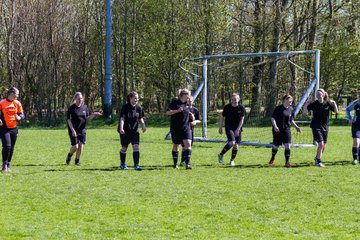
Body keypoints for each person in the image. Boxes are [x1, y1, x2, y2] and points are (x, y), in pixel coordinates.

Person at [303, 88, 338, 167]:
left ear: (324, 94)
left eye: (320, 94)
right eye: (317, 94)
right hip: (316, 126)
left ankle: (317, 158)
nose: (318, 95)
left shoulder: (328, 103)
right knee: (321, 143)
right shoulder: (314, 104)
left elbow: (336, 111)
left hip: (325, 126)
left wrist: (334, 103)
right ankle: (318, 161)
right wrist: (306, 103)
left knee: (324, 145)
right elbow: (304, 113)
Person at [66, 92, 102, 166]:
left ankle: (77, 161)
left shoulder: (85, 107)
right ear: (75, 99)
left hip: (82, 129)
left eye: (81, 98)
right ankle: (69, 155)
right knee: (75, 146)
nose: (80, 100)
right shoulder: (71, 108)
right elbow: (69, 120)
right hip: (73, 130)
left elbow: (87, 119)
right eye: (79, 98)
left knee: (81, 145)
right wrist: (72, 130)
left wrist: (94, 114)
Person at [268, 94, 301, 168]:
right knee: (276, 146)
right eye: (289, 100)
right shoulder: (278, 108)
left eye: (291, 101)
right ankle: (272, 157)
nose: (290, 102)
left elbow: (291, 120)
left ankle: (287, 162)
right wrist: (275, 126)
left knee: (288, 146)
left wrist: (296, 127)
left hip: (287, 129)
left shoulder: (291, 109)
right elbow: (273, 118)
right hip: (278, 130)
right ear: (285, 100)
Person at [166, 89, 194, 169]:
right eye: (189, 94)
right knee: (176, 145)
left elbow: (187, 111)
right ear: (184, 95)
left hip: (186, 127)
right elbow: (167, 113)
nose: (190, 96)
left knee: (188, 144)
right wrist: (177, 111)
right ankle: (175, 164)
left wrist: (191, 114)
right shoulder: (175, 103)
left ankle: (187, 164)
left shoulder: (188, 104)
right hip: (176, 128)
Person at [117, 91, 146, 171]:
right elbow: (122, 118)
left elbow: (140, 118)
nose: (137, 99)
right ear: (130, 98)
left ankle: (136, 165)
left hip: (135, 131)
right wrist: (121, 128)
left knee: (136, 146)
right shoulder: (125, 107)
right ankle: (122, 164)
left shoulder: (139, 107)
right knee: (124, 148)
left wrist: (143, 125)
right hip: (125, 131)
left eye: (137, 98)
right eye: (135, 98)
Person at [0, 87, 25, 172]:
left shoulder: (17, 103)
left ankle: (8, 164)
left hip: (14, 128)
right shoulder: (2, 103)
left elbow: (22, 114)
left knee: (12, 147)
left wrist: (19, 117)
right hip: (4, 128)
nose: (18, 96)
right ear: (12, 94)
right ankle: (4, 165)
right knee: (7, 146)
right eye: (17, 94)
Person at [218, 93, 246, 166]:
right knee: (232, 142)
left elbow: (242, 119)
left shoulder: (241, 107)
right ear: (230, 100)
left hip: (238, 128)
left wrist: (238, 129)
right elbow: (222, 117)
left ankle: (232, 161)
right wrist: (220, 127)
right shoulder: (227, 107)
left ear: (239, 99)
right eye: (232, 99)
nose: (234, 101)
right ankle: (221, 154)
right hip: (229, 127)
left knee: (236, 145)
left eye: (235, 99)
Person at [180, 96, 201, 166]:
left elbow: (199, 120)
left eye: (191, 101)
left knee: (189, 145)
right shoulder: (183, 109)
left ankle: (185, 161)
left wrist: (195, 122)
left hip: (191, 129)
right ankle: (184, 161)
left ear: (193, 101)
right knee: (184, 145)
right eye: (188, 100)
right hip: (184, 129)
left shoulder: (195, 110)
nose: (190, 102)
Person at [345, 93, 360, 165]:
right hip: (356, 125)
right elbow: (347, 109)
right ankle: (355, 159)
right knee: (356, 141)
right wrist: (350, 119)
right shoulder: (355, 103)